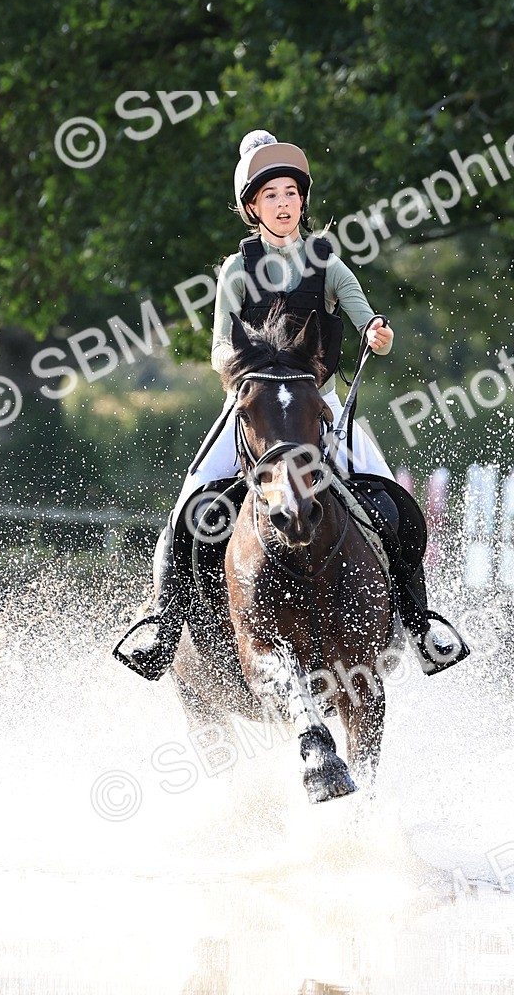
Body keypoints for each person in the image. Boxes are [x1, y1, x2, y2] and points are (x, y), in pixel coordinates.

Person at [114, 130, 468, 680]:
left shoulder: (327, 262)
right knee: (189, 505)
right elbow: (217, 350)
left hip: (319, 404)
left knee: (395, 504)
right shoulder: (236, 270)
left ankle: (420, 623)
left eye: (291, 192)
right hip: (254, 405)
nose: (284, 203)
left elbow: (363, 314)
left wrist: (377, 333)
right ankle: (163, 624)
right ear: (253, 208)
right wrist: (245, 378)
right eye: (271, 195)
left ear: (302, 199)